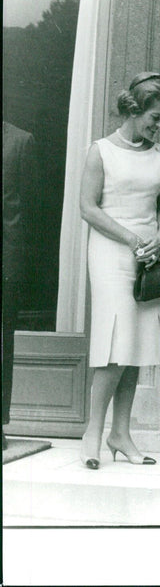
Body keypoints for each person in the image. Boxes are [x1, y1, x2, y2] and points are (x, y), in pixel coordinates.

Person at [78, 72, 160, 469]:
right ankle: (93, 432)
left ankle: (120, 433)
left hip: (150, 255)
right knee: (114, 343)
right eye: (155, 116)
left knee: (136, 346)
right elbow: (88, 208)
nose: (158, 125)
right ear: (134, 110)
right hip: (110, 253)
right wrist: (132, 239)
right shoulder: (100, 151)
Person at [2, 122, 35, 451]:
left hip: (4, 262)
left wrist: (15, 263)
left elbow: (30, 211)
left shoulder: (19, 141)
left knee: (0, 342)